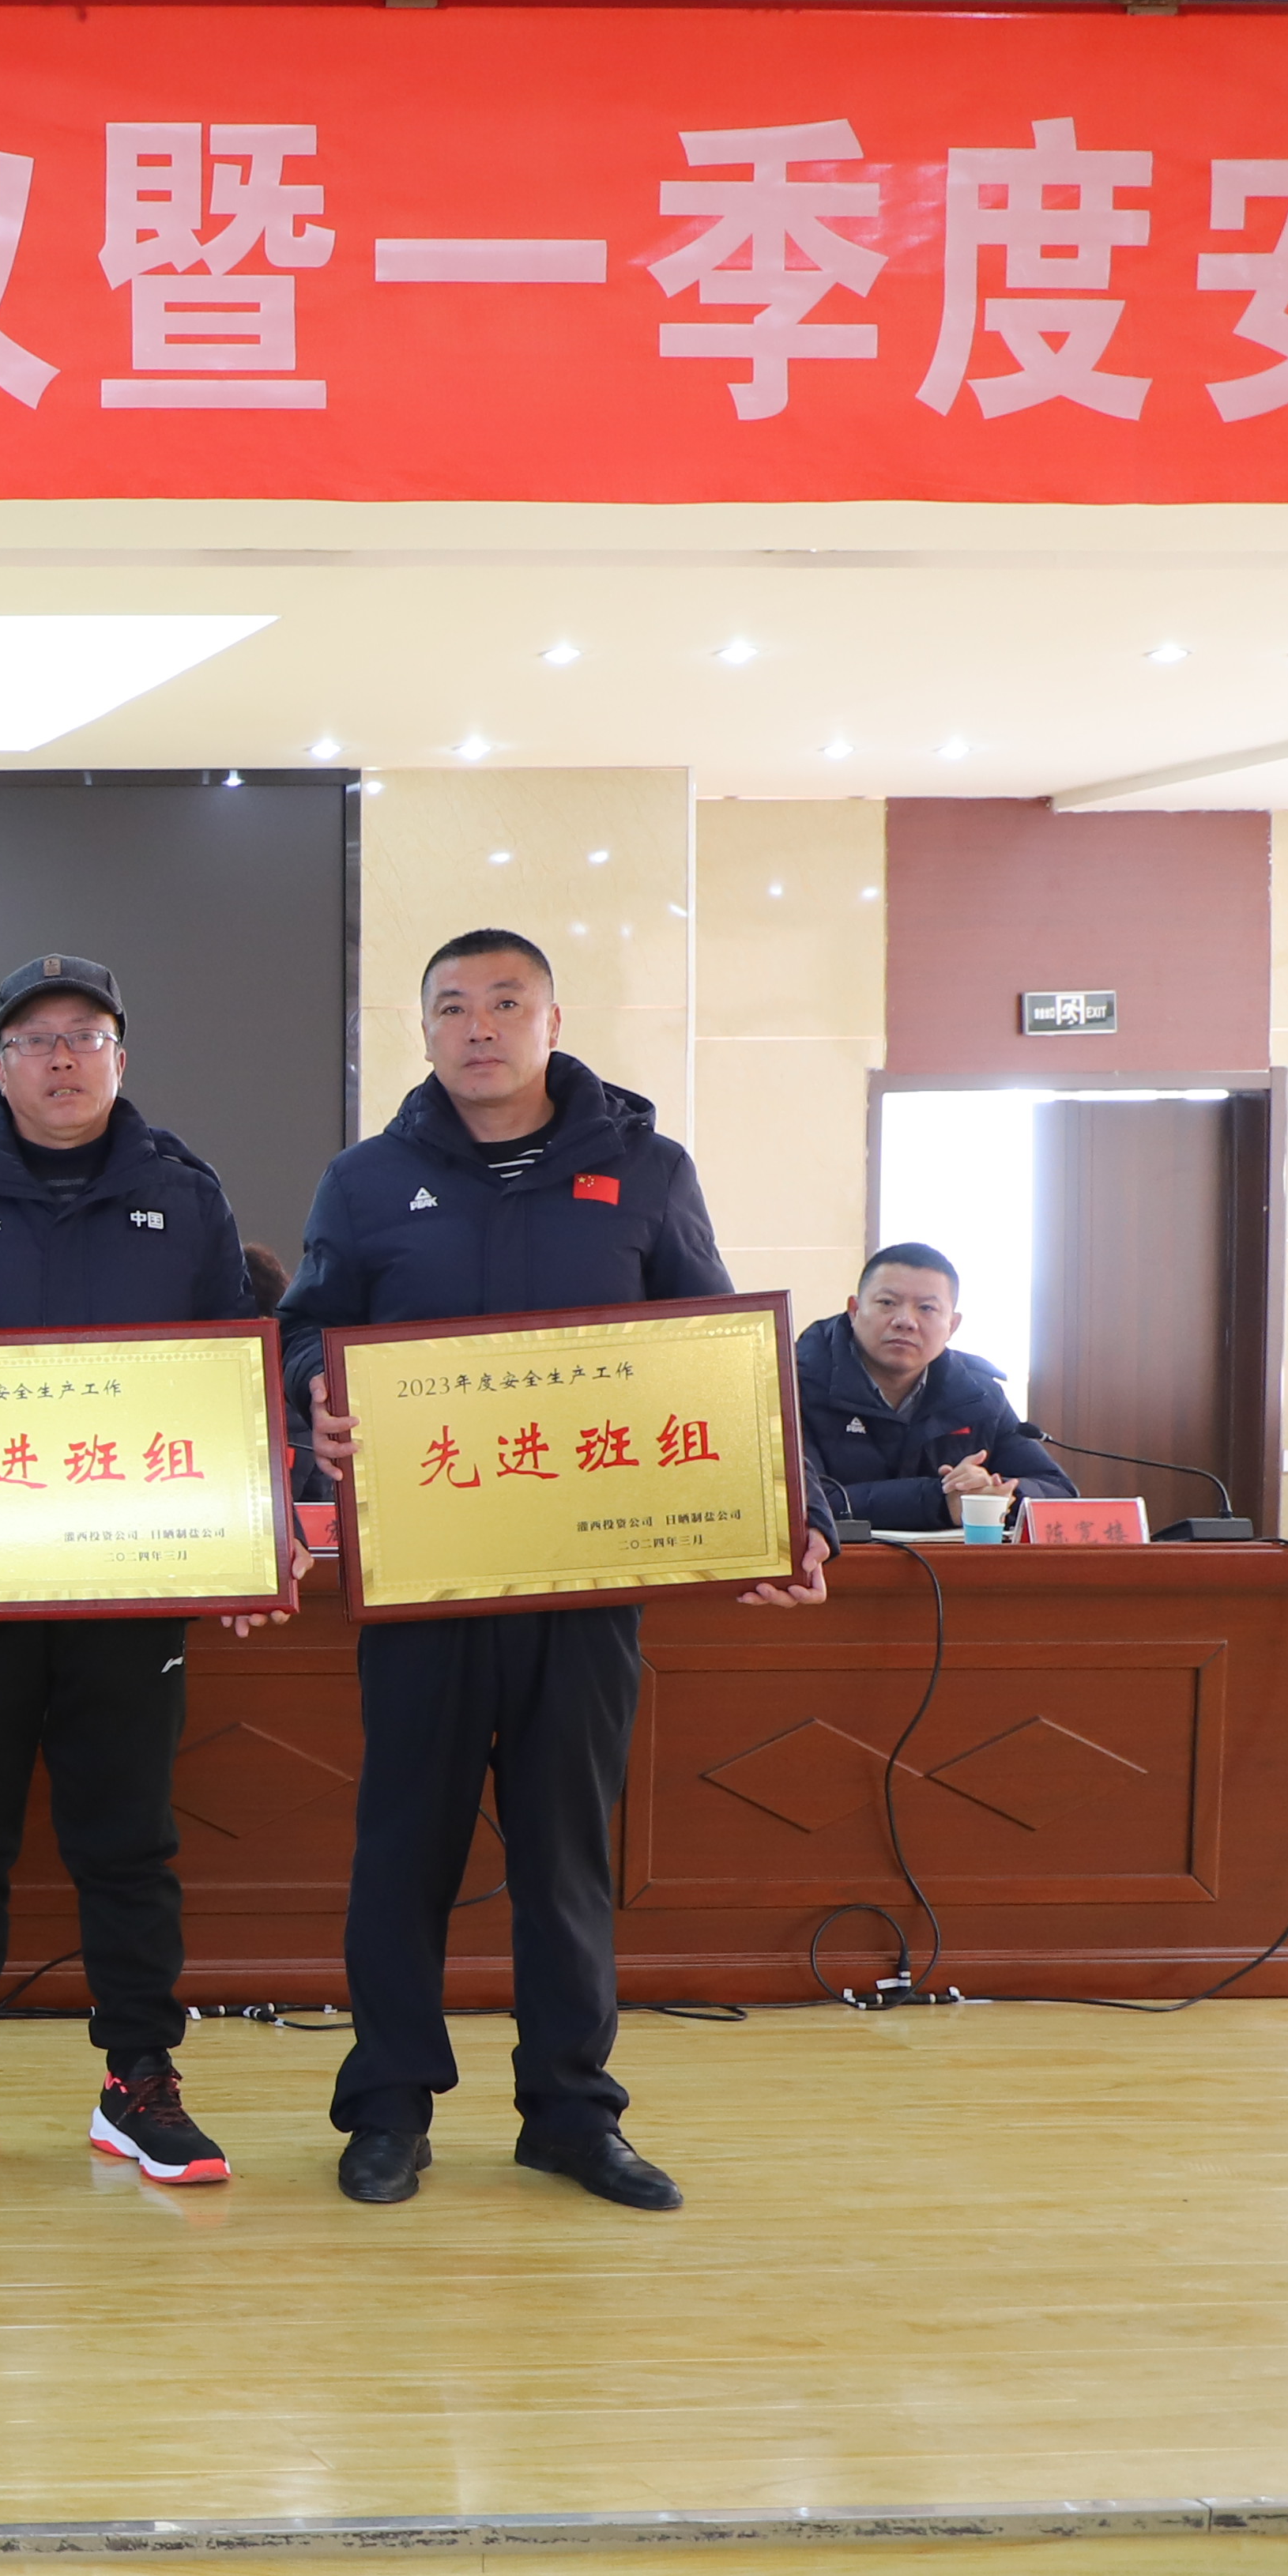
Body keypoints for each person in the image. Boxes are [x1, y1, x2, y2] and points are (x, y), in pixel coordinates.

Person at [281, 929, 830, 2216]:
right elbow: (309, 1324)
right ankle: (389, 2110)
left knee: (567, 1856)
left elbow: (719, 1354)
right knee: (402, 1852)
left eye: (505, 1002)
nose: (479, 1026)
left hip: (586, 1579)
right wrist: (316, 1392)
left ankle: (573, 2114)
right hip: (424, 1576)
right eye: (452, 1007)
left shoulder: (644, 1170)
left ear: (552, 1021)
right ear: (423, 1031)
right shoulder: (367, 1181)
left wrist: (795, 1511)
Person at [0, 954, 254, 2187]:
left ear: (121, 1056)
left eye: (86, 1035)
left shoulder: (186, 1197)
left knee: (128, 1840)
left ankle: (139, 2082)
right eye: (36, 1039)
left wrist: (246, 1535)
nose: (62, 1057)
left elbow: (235, 1373)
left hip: (134, 1582)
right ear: (1, 1063)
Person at [800, 1245, 1074, 1527]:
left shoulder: (976, 1394)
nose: (905, 1321)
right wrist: (942, 1502)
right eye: (887, 1303)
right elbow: (800, 1504)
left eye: (927, 1308)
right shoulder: (794, 1386)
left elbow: (1058, 1492)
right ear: (855, 1310)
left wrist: (991, 1492)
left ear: (952, 1326)